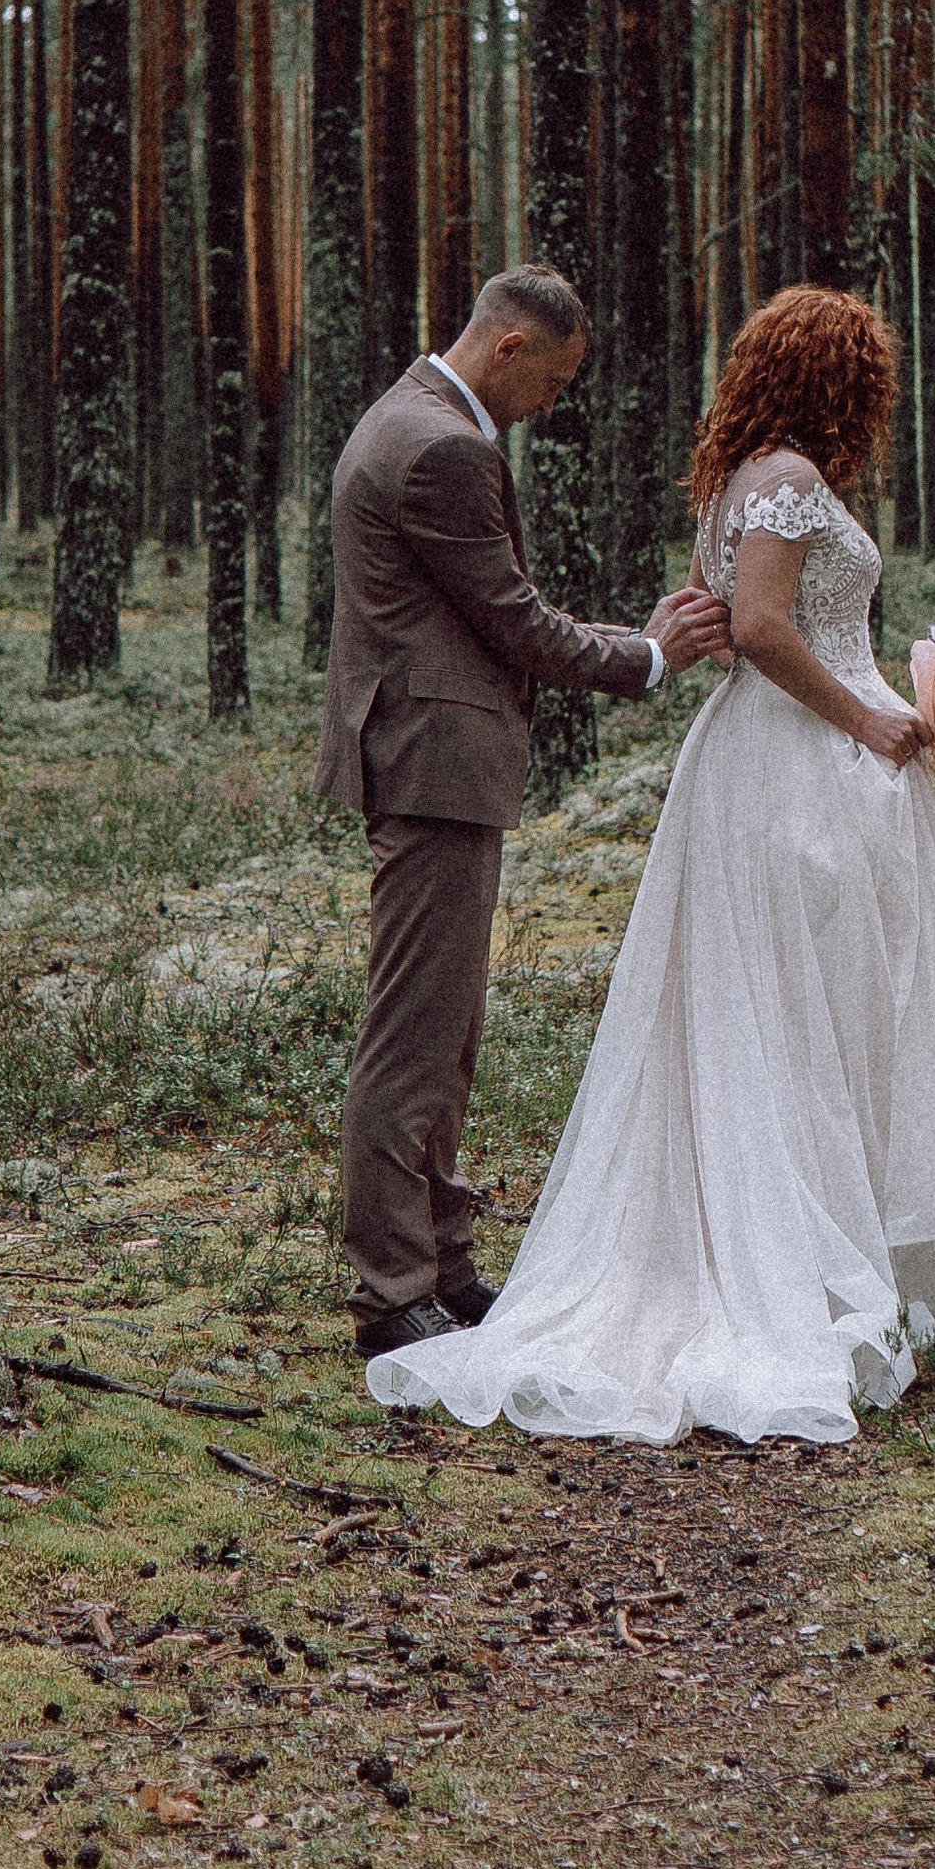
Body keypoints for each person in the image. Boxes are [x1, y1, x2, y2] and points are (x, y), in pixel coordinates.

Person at [366, 282, 935, 1447]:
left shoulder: (740, 481)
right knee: (811, 1008)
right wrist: (870, 717)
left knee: (814, 1006)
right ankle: (804, 1254)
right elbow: (763, 627)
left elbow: (735, 614)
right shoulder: (785, 480)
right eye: (868, 384)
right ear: (838, 382)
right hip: (800, 767)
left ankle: (861, 1235)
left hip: (768, 759)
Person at [314, 265, 733, 1361]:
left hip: (426, 760)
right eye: (553, 380)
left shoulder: (407, 416)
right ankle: (391, 1292)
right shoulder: (443, 449)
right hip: (431, 764)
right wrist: (646, 655)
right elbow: (514, 619)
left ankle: (442, 1268)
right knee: (414, 1037)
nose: (554, 403)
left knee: (444, 1032)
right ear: (509, 348)